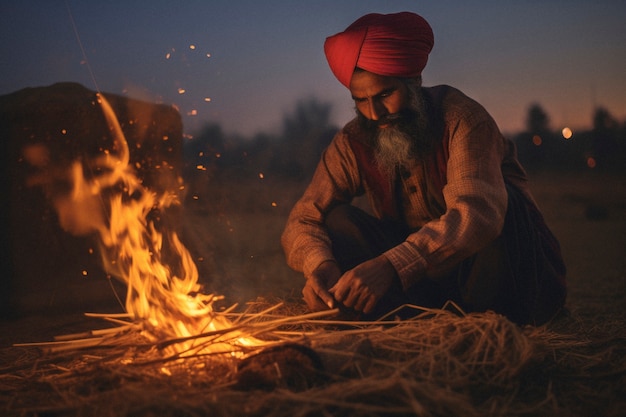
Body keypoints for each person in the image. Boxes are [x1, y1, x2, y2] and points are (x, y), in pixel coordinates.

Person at [281, 11, 566, 325]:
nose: (374, 113)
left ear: (414, 81)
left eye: (385, 94)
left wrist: (391, 265)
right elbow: (303, 218)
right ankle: (412, 317)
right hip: (420, 288)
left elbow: (477, 215)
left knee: (504, 203)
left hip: (496, 274)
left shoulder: (464, 120)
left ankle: (485, 322)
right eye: (360, 100)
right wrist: (320, 264)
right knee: (337, 220)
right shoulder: (353, 139)